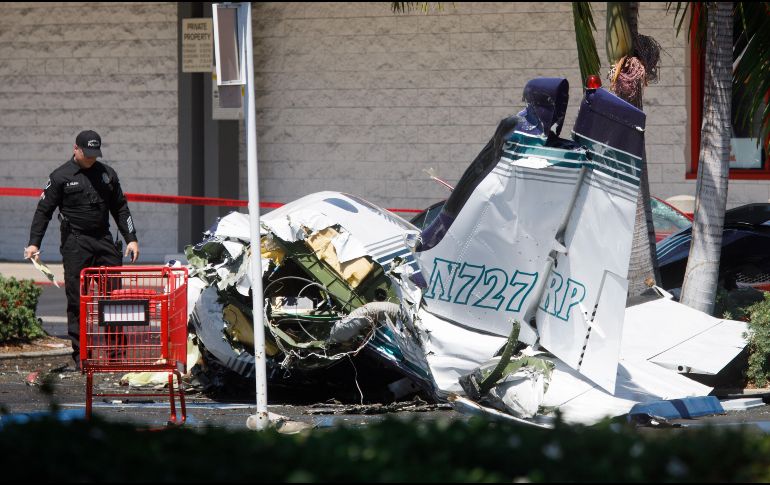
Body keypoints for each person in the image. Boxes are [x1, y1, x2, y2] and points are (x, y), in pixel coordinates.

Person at [24, 130, 139, 370]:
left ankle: (116, 354)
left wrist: (131, 238)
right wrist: (35, 243)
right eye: (87, 154)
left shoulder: (107, 174)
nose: (91, 159)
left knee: (113, 300)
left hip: (104, 241)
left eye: (95, 154)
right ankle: (81, 355)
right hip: (76, 243)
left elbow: (121, 208)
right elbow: (43, 211)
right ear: (76, 149)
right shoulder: (60, 176)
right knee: (77, 300)